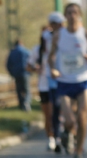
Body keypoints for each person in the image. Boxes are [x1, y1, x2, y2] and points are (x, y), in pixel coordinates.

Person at [48, 3, 87, 158]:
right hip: (64, 81)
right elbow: (51, 55)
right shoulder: (59, 35)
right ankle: (67, 132)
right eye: (69, 13)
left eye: (75, 12)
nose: (72, 15)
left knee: (82, 117)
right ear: (65, 16)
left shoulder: (86, 34)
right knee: (70, 121)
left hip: (83, 81)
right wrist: (53, 68)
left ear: (79, 15)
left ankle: (78, 151)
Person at [28, 15, 64, 152]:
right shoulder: (38, 50)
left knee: (60, 111)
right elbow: (29, 66)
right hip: (44, 84)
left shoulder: (62, 46)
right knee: (49, 114)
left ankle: (65, 135)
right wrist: (35, 68)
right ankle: (51, 138)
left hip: (61, 81)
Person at [7, 38, 32, 111]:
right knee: (27, 90)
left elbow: (8, 64)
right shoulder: (26, 51)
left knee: (19, 90)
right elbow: (31, 61)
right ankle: (26, 103)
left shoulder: (12, 52)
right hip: (25, 73)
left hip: (16, 74)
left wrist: (12, 73)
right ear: (21, 43)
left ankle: (21, 105)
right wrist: (30, 71)